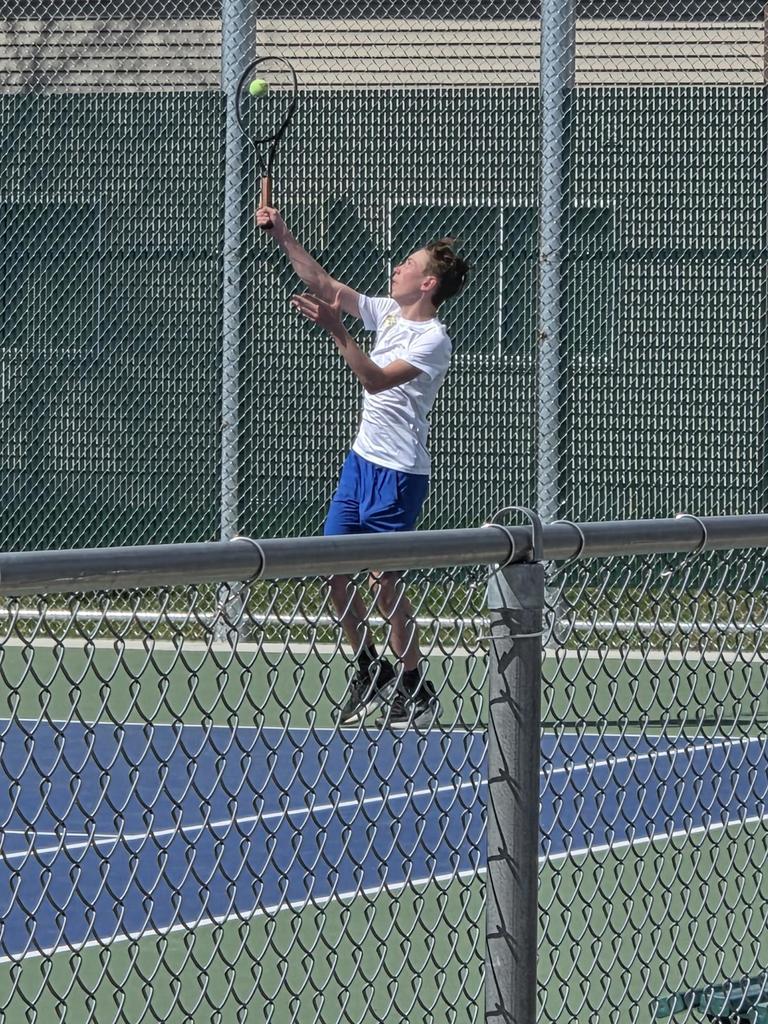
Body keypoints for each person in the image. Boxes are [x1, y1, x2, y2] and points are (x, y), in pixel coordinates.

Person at [257, 205, 469, 729]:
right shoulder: (388, 313)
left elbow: (374, 380)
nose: (397, 267)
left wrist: (336, 330)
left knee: (383, 582)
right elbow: (325, 284)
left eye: (408, 265)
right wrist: (283, 234)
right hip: (360, 464)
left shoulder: (433, 340)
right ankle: (370, 668)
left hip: (398, 474)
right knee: (334, 571)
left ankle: (414, 686)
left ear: (428, 284)